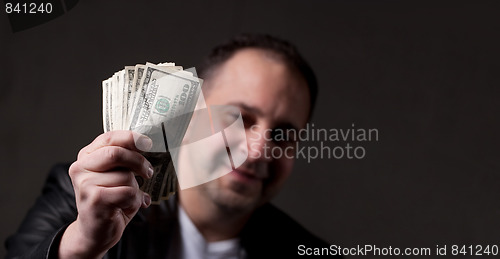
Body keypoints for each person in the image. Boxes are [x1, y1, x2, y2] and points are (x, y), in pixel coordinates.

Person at [5, 34, 339, 258]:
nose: (258, 150)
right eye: (239, 117)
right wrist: (80, 244)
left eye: (282, 134)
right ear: (189, 114)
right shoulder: (83, 199)